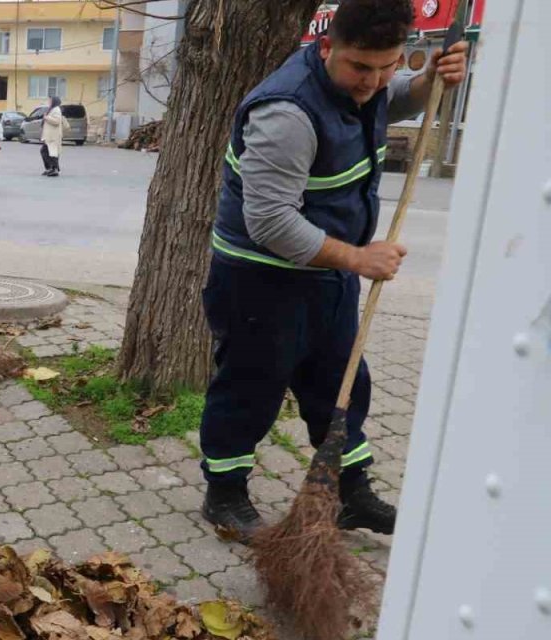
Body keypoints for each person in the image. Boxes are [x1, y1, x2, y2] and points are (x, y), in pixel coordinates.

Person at [198, 0, 469, 542]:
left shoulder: (363, 87)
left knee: (341, 382)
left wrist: (427, 83)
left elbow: (391, 99)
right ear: (326, 47)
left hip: (326, 271)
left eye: (387, 66)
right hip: (260, 278)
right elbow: (270, 222)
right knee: (251, 387)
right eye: (359, 67)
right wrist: (359, 258)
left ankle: (350, 493)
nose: (372, 81)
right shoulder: (286, 114)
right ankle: (224, 493)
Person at [40, 96, 68, 177]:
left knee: (52, 152)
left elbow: (57, 121)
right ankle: (50, 168)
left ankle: (54, 169)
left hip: (53, 136)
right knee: (45, 151)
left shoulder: (56, 109)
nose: (49, 101)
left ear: (54, 101)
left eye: (50, 100)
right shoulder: (52, 109)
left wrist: (46, 117)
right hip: (49, 136)